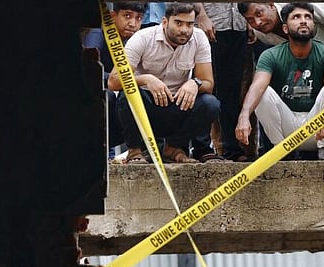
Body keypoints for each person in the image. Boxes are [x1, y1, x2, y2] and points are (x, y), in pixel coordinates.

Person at [110, 2, 223, 163]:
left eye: (189, 24)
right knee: (127, 95)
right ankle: (135, 151)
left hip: (177, 105)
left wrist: (194, 83)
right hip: (145, 108)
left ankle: (173, 147)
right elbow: (113, 81)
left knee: (210, 103)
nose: (184, 29)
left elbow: (208, 83)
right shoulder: (142, 37)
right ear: (164, 22)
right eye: (178, 23)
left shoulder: (199, 38)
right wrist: (146, 79)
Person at [235, 3, 324, 161]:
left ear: (314, 26)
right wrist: (244, 116)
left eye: (308, 17)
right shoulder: (270, 55)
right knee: (262, 93)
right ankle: (281, 150)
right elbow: (257, 85)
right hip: (287, 130)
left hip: (320, 129)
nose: (303, 21)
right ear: (285, 29)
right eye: (296, 17)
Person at [81, 2, 145, 159]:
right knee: (108, 96)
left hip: (114, 100)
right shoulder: (98, 34)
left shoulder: (135, 40)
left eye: (138, 18)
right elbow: (90, 70)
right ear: (113, 16)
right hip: (87, 97)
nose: (133, 23)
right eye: (127, 16)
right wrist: (119, 80)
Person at [196, 3, 252, 162]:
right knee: (203, 87)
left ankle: (232, 149)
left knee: (232, 91)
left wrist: (248, 19)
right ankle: (202, 148)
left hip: (237, 27)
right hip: (209, 26)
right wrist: (201, 15)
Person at [237, 2, 324, 47]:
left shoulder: (296, 4)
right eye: (250, 20)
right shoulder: (261, 33)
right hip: (322, 55)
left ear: (271, 5)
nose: (258, 22)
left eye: (259, 14)